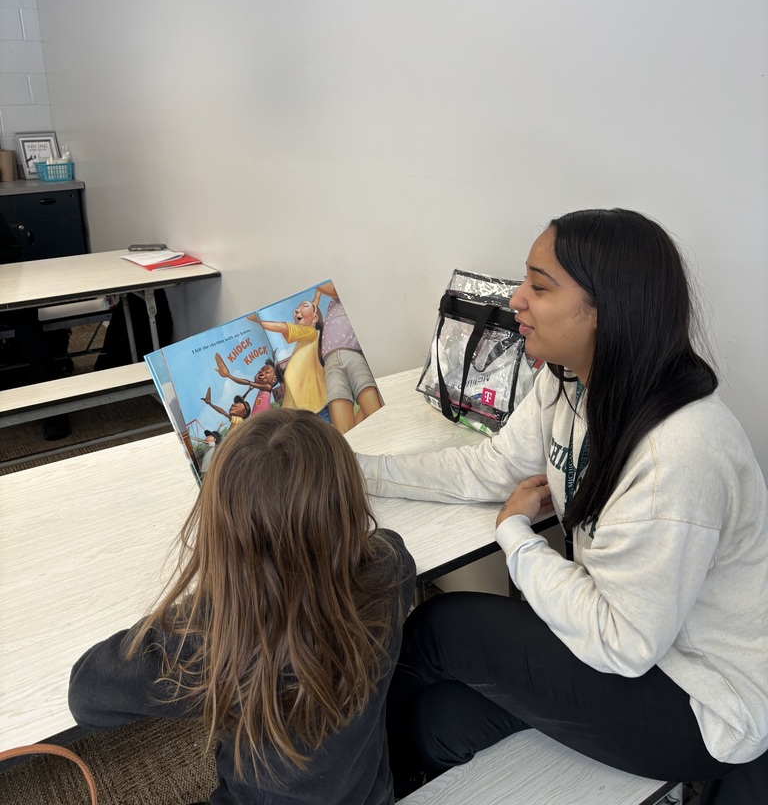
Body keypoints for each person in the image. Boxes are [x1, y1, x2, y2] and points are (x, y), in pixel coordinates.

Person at [357, 208, 768, 804]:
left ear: (607, 308)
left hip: (699, 700)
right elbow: (484, 468)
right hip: (632, 646)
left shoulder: (681, 451)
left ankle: (351, 785)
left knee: (439, 627)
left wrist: (517, 538)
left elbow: (622, 642)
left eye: (539, 285)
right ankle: (389, 778)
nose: (517, 300)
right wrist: (356, 471)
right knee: (438, 721)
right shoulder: (569, 382)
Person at [69, 409, 416, 805]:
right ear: (348, 505)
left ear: (221, 531)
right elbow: (387, 542)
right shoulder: (389, 575)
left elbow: (86, 695)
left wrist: (214, 601)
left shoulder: (209, 639)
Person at [315, 281, 383, 434]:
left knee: (374, 409)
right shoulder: (332, 305)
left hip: (353, 353)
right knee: (344, 427)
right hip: (331, 361)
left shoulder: (348, 291)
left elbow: (336, 289)